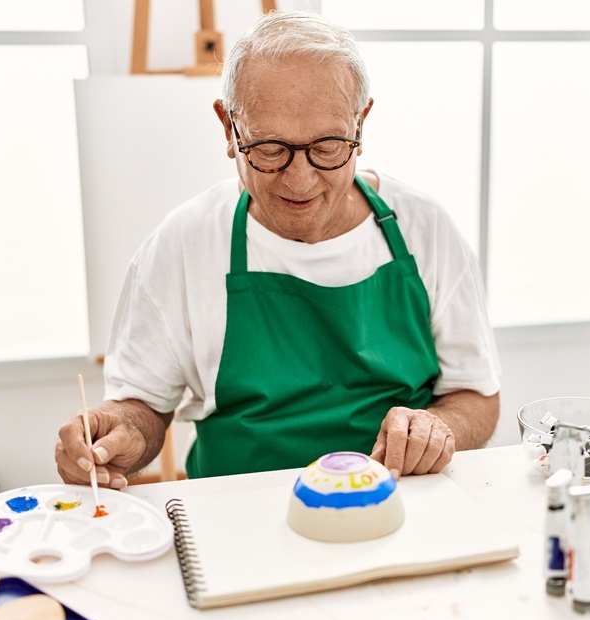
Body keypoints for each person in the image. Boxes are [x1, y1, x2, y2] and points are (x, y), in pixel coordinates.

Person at [55, 10, 500, 489]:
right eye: (270, 148)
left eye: (328, 146)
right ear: (229, 128)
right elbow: (141, 406)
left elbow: (477, 396)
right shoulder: (184, 243)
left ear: (361, 123)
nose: (300, 179)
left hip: (397, 505)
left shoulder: (423, 228)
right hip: (238, 514)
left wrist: (440, 428)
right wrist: (117, 434)